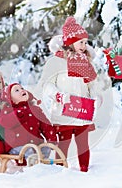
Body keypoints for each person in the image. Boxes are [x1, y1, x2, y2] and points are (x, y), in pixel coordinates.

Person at [37, 16, 111, 172]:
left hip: (82, 112)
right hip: (63, 111)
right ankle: (59, 170)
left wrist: (96, 97)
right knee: (63, 144)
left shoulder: (86, 62)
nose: (84, 46)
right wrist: (58, 95)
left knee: (83, 144)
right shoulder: (56, 62)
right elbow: (47, 84)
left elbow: (92, 84)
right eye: (80, 42)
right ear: (70, 42)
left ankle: (85, 170)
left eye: (85, 42)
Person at [0, 83, 57, 165]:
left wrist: (51, 138)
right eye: (16, 90)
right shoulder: (8, 110)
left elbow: (45, 125)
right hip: (16, 146)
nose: (21, 90)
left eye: (22, 88)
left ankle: (42, 164)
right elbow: (4, 122)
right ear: (10, 99)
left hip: (36, 144)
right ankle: (34, 164)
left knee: (45, 148)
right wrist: (18, 113)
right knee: (28, 150)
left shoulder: (35, 110)